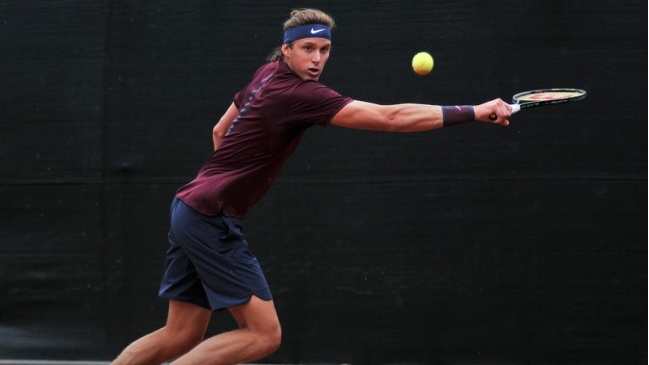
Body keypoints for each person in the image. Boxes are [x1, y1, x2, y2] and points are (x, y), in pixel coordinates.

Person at [111, 8, 513, 365]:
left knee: (180, 334)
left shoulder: (266, 73)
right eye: (307, 49)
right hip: (209, 218)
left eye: (323, 51)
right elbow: (390, 118)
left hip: (190, 207)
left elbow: (221, 130)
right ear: (287, 50)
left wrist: (232, 182)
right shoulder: (301, 94)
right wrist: (475, 112)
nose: (317, 59)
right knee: (264, 336)